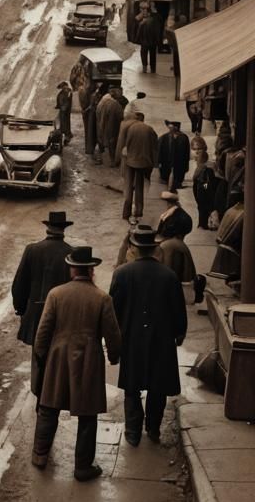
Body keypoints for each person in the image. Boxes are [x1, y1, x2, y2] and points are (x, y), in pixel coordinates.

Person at [32, 246, 121, 481]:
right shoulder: (102, 298)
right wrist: (114, 356)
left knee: (48, 408)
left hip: (58, 357)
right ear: (91, 270)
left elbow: (43, 332)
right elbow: (112, 334)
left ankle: (40, 455)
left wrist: (42, 357)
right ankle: (82, 467)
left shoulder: (56, 294)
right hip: (89, 359)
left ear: (72, 269)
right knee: (88, 415)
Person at [110, 224, 188, 446]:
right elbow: (178, 311)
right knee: (158, 386)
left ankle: (133, 432)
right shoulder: (169, 275)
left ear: (133, 247)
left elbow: (113, 311)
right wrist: (179, 333)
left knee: (132, 387)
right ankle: (153, 428)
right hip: (161, 340)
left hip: (132, 339)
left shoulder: (122, 274)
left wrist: (114, 340)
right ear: (154, 248)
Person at [10, 211, 73, 346]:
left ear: (48, 228)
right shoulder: (71, 253)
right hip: (61, 317)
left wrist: (20, 309)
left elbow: (19, 284)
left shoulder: (32, 249)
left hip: (35, 316)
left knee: (37, 358)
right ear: (63, 229)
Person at [121, 112, 159, 220]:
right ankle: (138, 211)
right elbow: (155, 146)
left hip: (130, 161)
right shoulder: (149, 129)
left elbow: (124, 144)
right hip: (143, 162)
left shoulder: (129, 128)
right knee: (139, 187)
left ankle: (126, 213)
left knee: (128, 188)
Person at [158, 120, 190, 192]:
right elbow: (159, 150)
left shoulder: (184, 137)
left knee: (177, 179)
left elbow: (186, 153)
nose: (170, 128)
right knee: (166, 178)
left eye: (171, 127)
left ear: (176, 127)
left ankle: (174, 189)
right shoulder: (164, 137)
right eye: (170, 127)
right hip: (166, 162)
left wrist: (186, 165)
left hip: (179, 163)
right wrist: (159, 161)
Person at [95, 87, 124, 167]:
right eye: (120, 93)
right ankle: (112, 161)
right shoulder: (114, 104)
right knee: (112, 144)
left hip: (101, 125)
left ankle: (99, 158)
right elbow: (120, 117)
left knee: (100, 142)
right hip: (111, 127)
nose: (122, 94)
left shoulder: (103, 100)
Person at [193, 150, 217, 230]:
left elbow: (199, 182)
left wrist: (203, 189)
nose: (195, 159)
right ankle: (203, 224)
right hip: (203, 190)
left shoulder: (200, 168)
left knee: (202, 208)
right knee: (204, 208)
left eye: (197, 157)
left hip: (200, 190)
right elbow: (207, 183)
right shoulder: (208, 168)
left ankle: (202, 224)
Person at [137, 7, 162, 73]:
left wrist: (138, 40)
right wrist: (158, 41)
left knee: (143, 55)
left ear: (149, 13)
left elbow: (139, 33)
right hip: (152, 42)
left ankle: (145, 68)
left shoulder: (142, 22)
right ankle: (153, 69)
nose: (144, 13)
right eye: (143, 12)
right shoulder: (155, 21)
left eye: (145, 12)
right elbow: (157, 32)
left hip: (145, 42)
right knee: (152, 55)